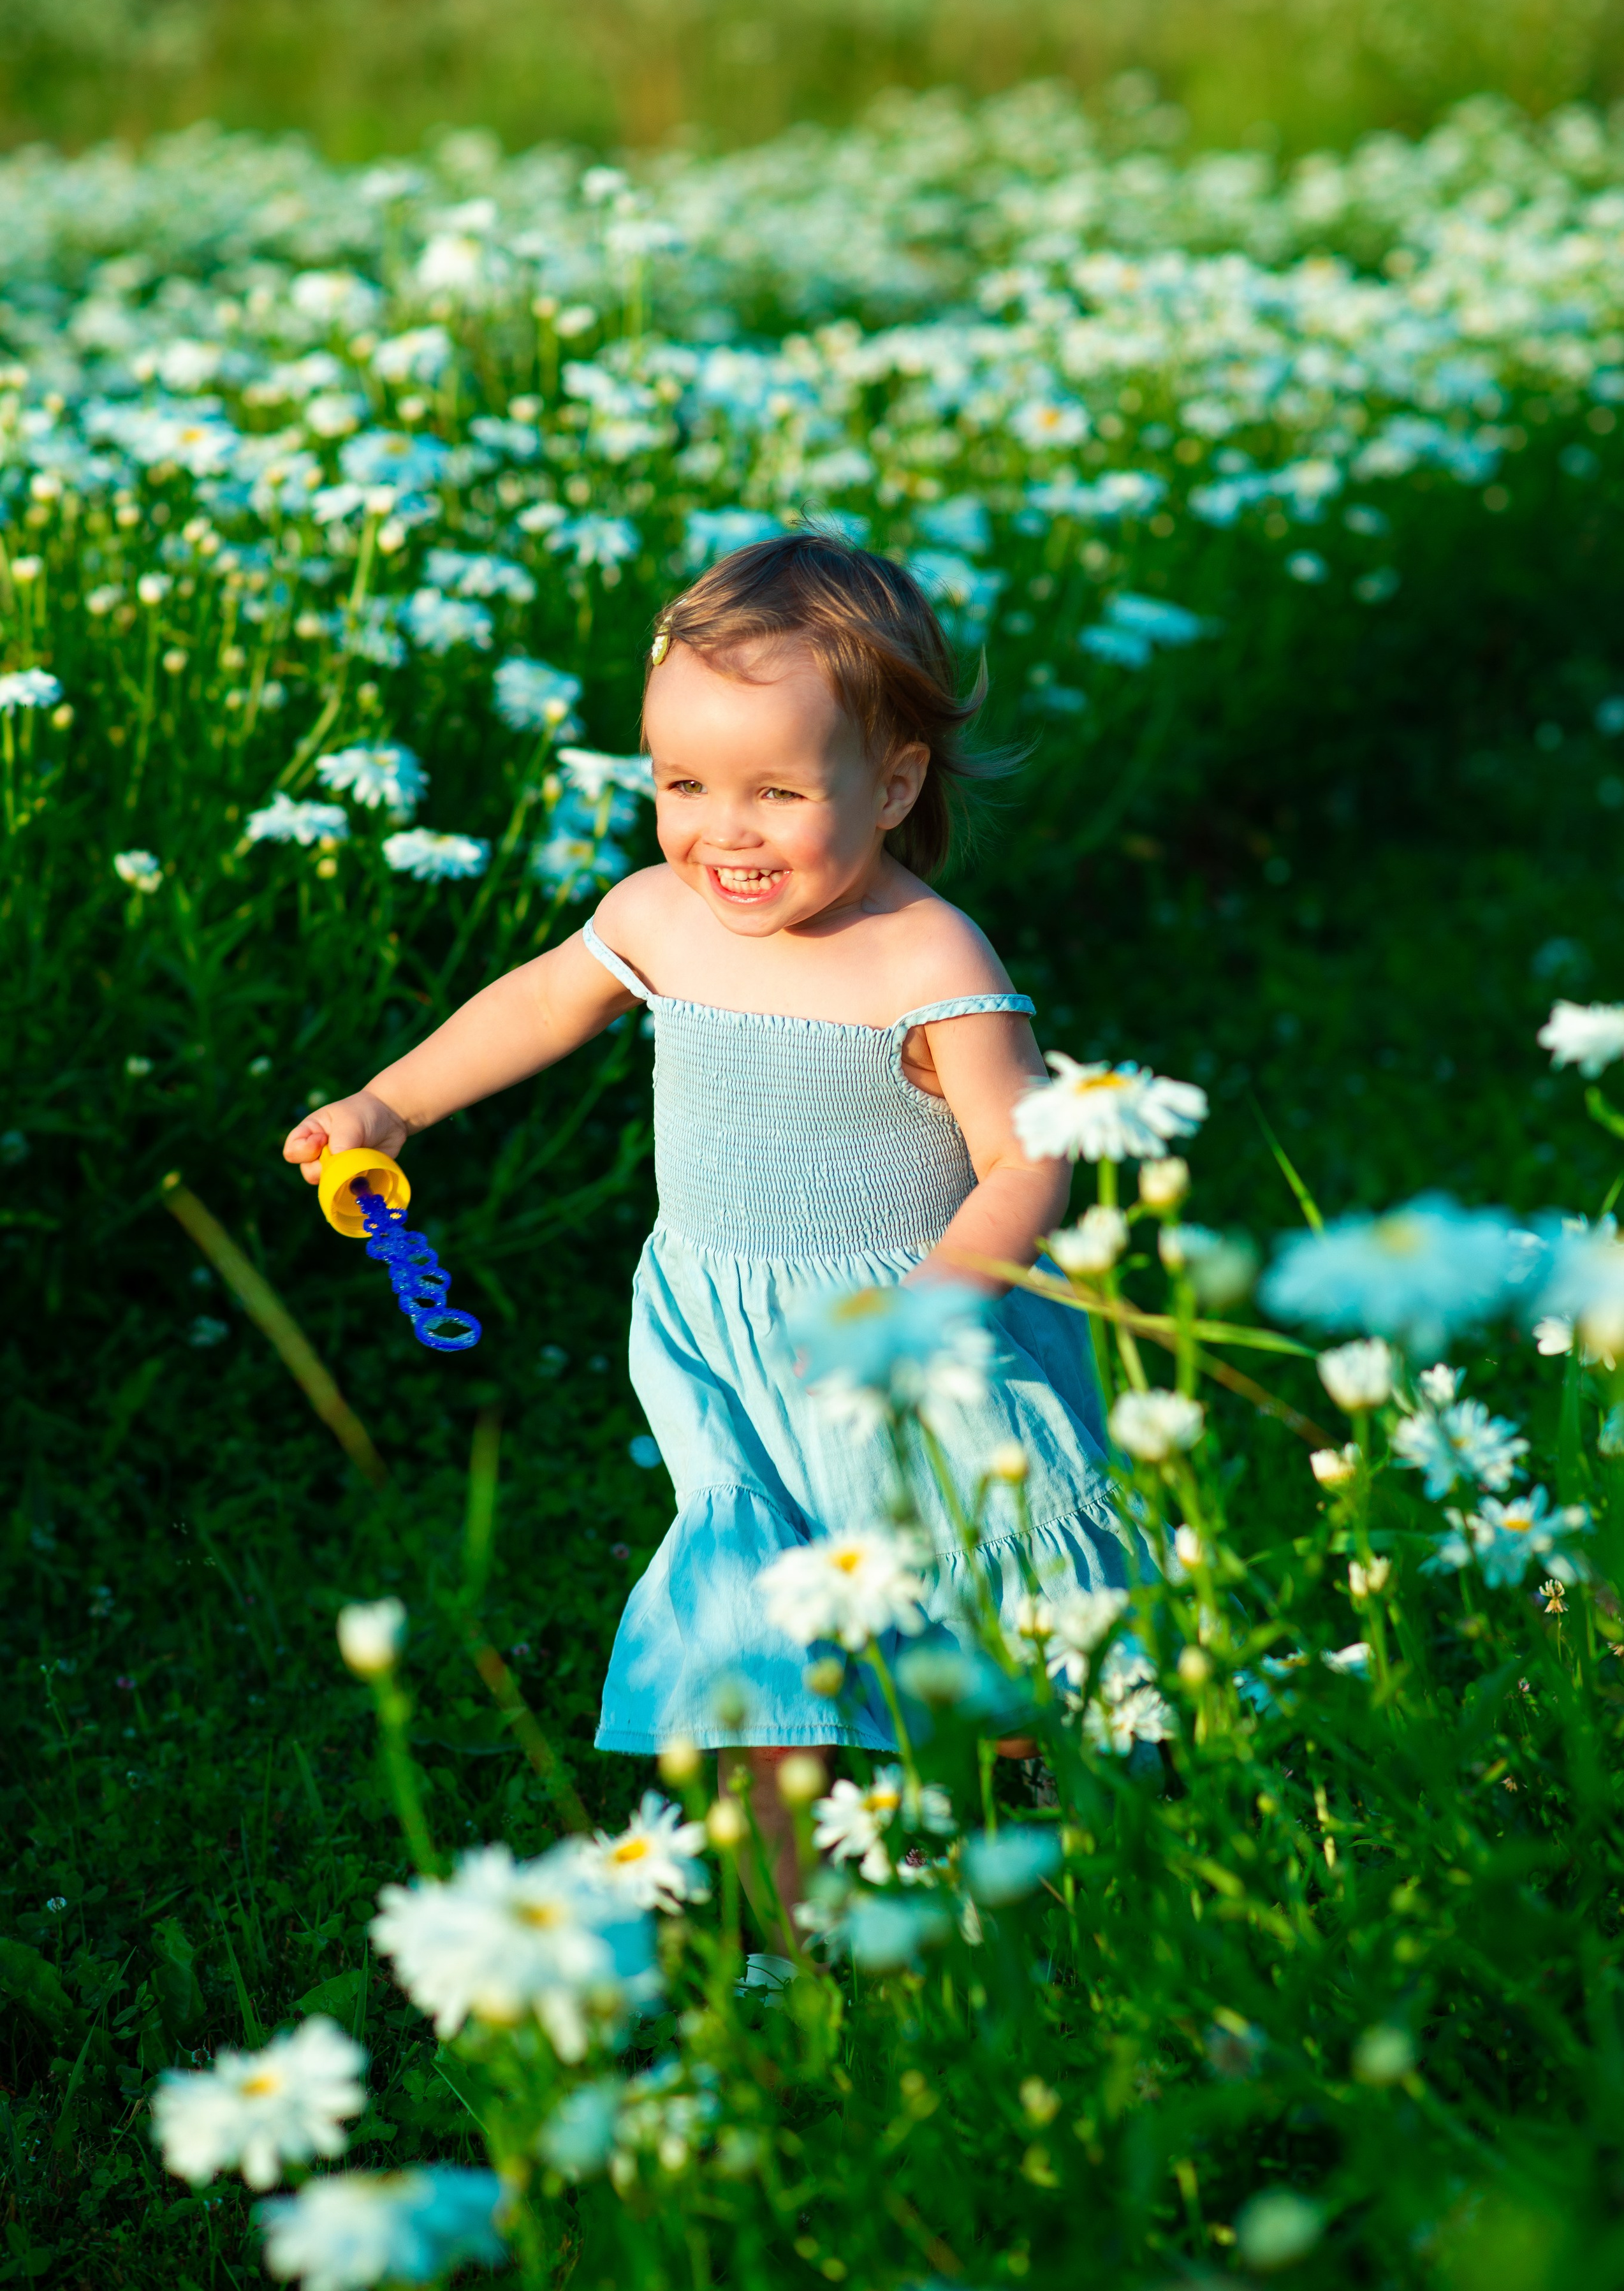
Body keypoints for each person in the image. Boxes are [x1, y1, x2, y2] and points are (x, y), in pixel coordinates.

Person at [283, 532, 1135, 1937]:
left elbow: (1022, 1160)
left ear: (895, 783)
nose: (719, 832)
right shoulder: (661, 917)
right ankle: (795, 1935)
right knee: (752, 1617)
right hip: (722, 1340)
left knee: (976, 1608)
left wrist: (918, 1315)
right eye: (681, 784)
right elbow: (539, 1002)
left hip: (914, 1337)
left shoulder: (930, 958)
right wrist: (389, 1103)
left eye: (776, 792)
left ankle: (1078, 1848)